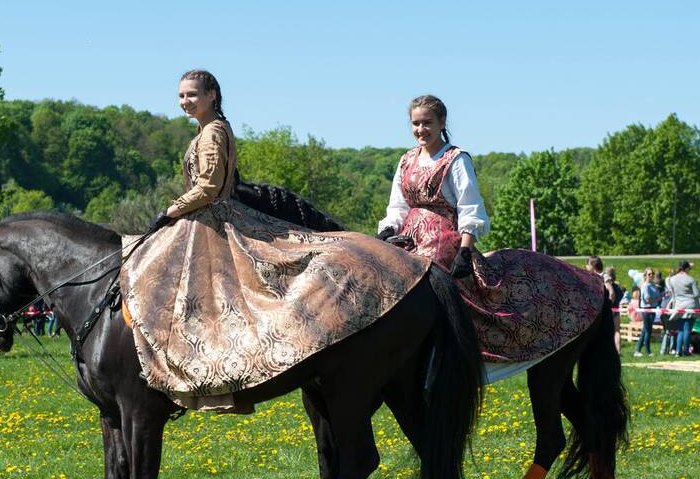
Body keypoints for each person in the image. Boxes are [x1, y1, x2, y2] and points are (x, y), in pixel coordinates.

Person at [120, 70, 426, 415]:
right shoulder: (206, 130)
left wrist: (171, 210)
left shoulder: (213, 131)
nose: (185, 101)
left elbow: (208, 186)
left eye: (192, 95)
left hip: (211, 220)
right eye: (181, 96)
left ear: (212, 96)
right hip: (204, 217)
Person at [377, 94, 488, 274]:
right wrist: (388, 230)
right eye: (416, 123)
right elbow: (398, 206)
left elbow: (470, 207)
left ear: (442, 122)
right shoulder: (406, 159)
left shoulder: (456, 159)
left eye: (427, 122)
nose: (421, 129)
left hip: (446, 244)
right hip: (406, 240)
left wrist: (465, 252)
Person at [668, 261, 700, 356]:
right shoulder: (691, 279)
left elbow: (673, 293)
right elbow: (696, 294)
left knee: (680, 329)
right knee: (687, 329)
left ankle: (678, 351)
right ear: (686, 269)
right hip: (690, 305)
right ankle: (686, 351)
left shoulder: (672, 279)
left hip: (678, 305)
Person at [634, 268, 661, 357]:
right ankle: (648, 351)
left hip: (652, 309)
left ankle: (638, 350)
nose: (651, 275)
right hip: (646, 309)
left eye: (652, 273)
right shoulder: (645, 286)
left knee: (645, 330)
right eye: (649, 274)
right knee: (648, 330)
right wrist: (657, 299)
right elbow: (647, 300)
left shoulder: (653, 285)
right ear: (645, 275)